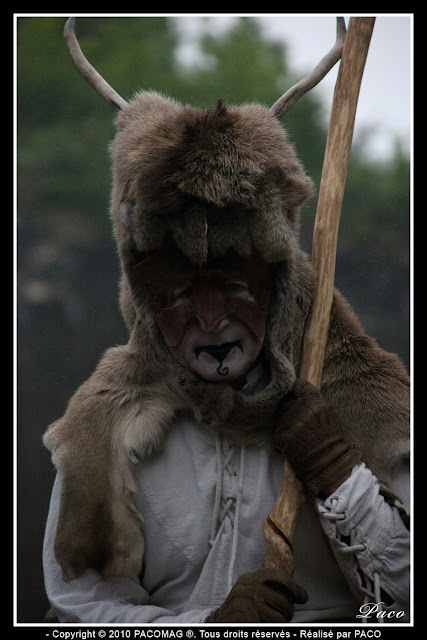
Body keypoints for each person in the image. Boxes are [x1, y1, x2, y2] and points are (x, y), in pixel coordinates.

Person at [43, 248, 410, 624]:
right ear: (151, 305)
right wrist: (209, 626)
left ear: (274, 293)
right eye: (182, 295)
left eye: (235, 287)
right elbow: (82, 607)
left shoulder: (367, 409)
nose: (211, 320)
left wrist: (335, 469)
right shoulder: (105, 428)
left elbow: (404, 603)